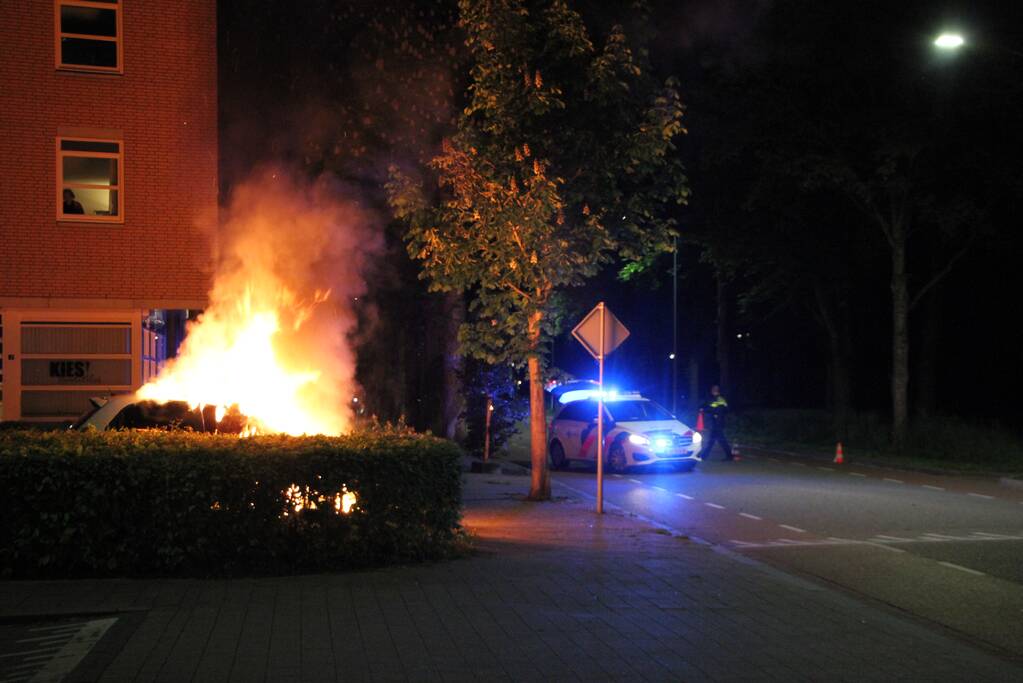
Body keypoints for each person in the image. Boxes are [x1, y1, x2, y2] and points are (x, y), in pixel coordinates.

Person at [698, 384, 733, 461]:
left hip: (718, 423)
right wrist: (704, 408)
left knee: (719, 440)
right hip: (717, 423)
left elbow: (715, 409)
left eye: (713, 389)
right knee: (713, 441)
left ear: (715, 391)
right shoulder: (717, 399)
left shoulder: (719, 399)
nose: (712, 391)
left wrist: (704, 410)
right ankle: (704, 456)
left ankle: (704, 456)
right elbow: (710, 406)